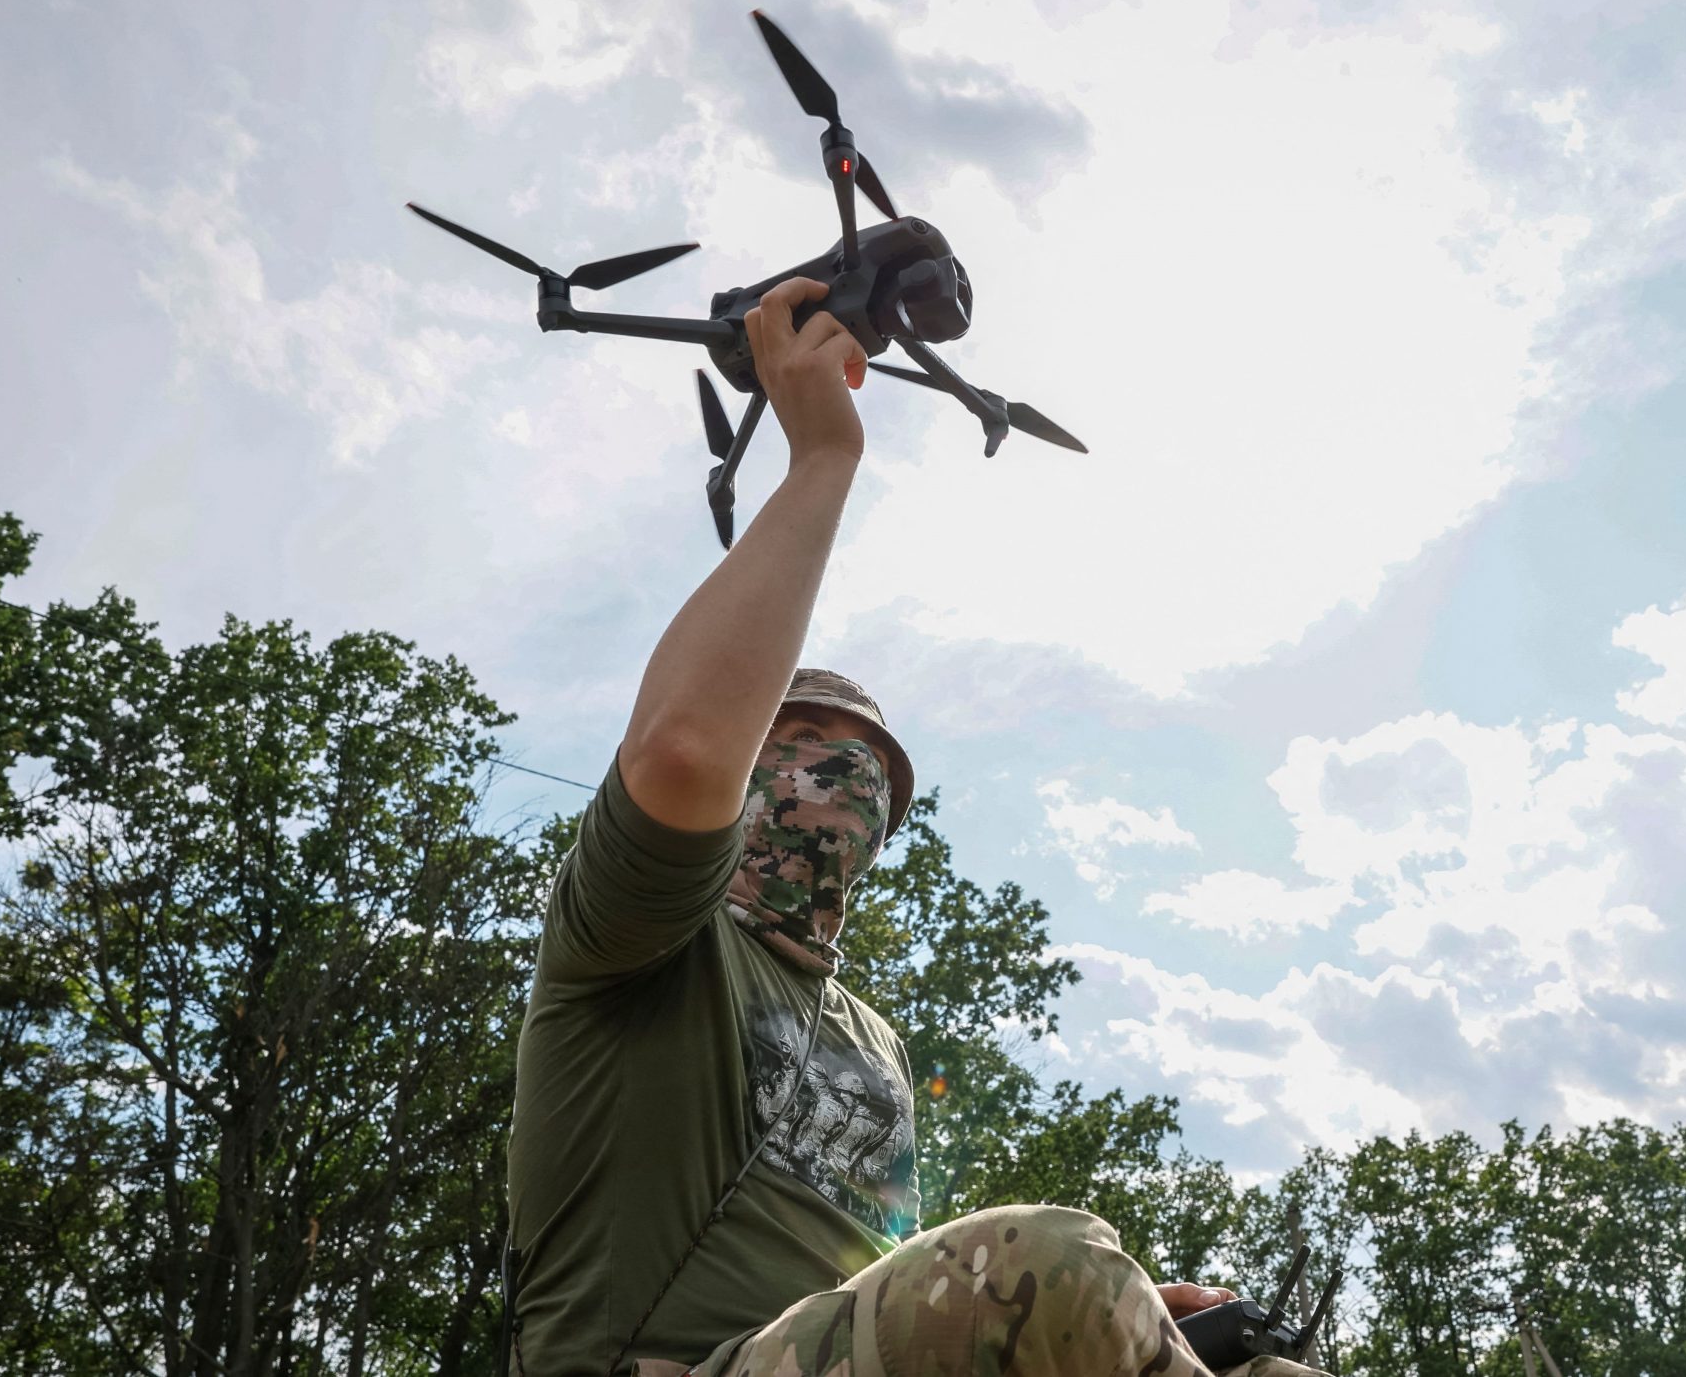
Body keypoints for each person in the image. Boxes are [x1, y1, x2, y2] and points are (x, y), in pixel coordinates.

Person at [505, 276, 1239, 1377]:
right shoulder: (642, 933)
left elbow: (867, 1285)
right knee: (1055, 1260)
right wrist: (819, 461)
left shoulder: (876, 1042)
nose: (833, 784)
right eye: (794, 745)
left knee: (1224, 1348)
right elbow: (684, 752)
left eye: (867, 773)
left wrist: (1126, 1330)